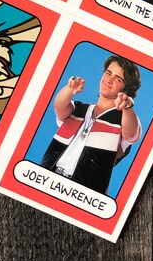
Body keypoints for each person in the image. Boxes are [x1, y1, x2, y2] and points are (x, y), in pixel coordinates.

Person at [40, 54, 142, 194]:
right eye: (108, 73)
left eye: (118, 79)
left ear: (126, 89)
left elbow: (132, 135)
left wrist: (127, 106)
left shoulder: (124, 120)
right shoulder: (78, 109)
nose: (109, 80)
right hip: (47, 179)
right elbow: (59, 107)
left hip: (84, 193)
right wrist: (70, 89)